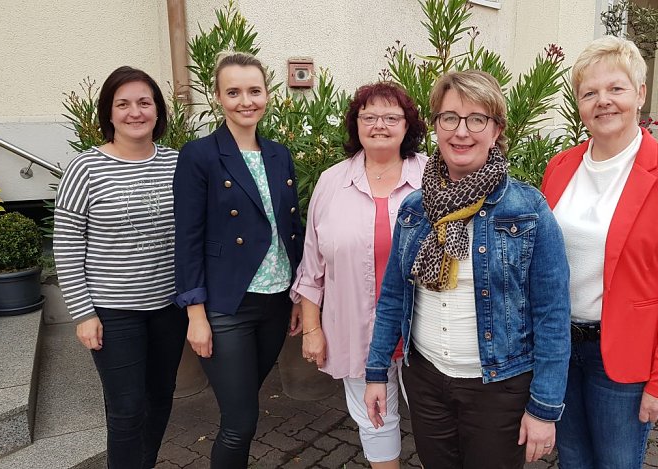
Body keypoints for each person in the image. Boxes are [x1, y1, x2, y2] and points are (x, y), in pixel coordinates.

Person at [364, 70, 571, 469]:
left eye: (477, 119)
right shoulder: (414, 209)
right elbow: (393, 297)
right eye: (449, 118)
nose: (462, 132)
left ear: (496, 131)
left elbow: (552, 315)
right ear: (436, 127)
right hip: (426, 381)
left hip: (499, 387)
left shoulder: (528, 211)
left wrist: (544, 408)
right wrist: (376, 374)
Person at [541, 36, 658, 469]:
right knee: (573, 458)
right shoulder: (560, 167)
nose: (603, 102)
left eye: (616, 89)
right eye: (589, 93)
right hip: (560, 347)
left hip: (623, 358)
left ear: (640, 94)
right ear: (578, 103)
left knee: (616, 462)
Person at [172, 51, 304, 468]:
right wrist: (196, 315)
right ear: (217, 98)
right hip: (228, 305)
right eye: (233, 92)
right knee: (240, 419)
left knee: (245, 404)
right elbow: (188, 238)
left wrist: (299, 296)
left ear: (267, 95)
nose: (245, 101)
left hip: (276, 300)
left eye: (254, 90)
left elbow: (291, 229)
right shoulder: (200, 155)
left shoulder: (279, 153)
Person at [54, 66, 186, 469]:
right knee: (127, 409)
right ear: (108, 114)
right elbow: (66, 244)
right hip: (113, 311)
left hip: (169, 306)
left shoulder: (178, 164)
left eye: (144, 102)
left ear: (158, 111)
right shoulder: (85, 169)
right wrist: (83, 313)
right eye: (123, 104)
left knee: (160, 397)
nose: (135, 112)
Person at [292, 82, 427, 468]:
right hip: (356, 328)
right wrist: (313, 330)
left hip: (426, 333)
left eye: (390, 117)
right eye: (369, 116)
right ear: (356, 124)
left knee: (437, 421)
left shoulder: (434, 175)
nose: (379, 125)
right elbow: (312, 265)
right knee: (375, 421)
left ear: (407, 125)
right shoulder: (332, 182)